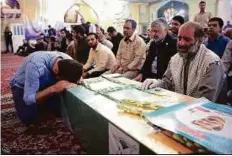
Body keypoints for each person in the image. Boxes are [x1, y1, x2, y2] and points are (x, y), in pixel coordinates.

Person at [142, 22, 225, 102]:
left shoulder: (211, 62)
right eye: (179, 38)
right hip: (182, 106)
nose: (181, 43)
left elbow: (205, 101)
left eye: (187, 39)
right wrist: (156, 83)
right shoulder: (175, 59)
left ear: (199, 41)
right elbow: (167, 83)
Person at [10, 51, 83, 125]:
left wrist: (78, 78)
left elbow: (76, 74)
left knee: (58, 111)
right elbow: (28, 99)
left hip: (46, 79)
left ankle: (46, 102)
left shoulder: (68, 60)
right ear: (56, 71)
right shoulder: (35, 65)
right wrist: (53, 88)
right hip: (22, 85)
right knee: (29, 119)